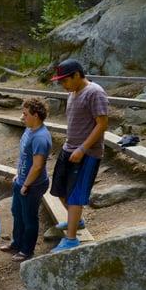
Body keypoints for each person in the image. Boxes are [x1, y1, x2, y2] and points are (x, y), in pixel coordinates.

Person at [49, 59, 108, 252]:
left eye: (64, 80)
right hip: (69, 148)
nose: (62, 85)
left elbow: (102, 124)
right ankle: (77, 221)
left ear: (76, 75)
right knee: (59, 190)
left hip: (87, 153)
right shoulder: (73, 93)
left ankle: (72, 239)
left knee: (75, 195)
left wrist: (83, 149)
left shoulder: (95, 92)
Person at [2, 98, 51, 261]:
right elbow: (25, 158)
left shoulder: (40, 137)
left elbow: (37, 166)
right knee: (17, 212)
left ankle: (26, 250)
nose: (22, 117)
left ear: (35, 115)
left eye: (25, 114)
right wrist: (19, 175)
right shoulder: (30, 129)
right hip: (22, 180)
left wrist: (26, 184)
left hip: (33, 185)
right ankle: (16, 243)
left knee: (29, 218)